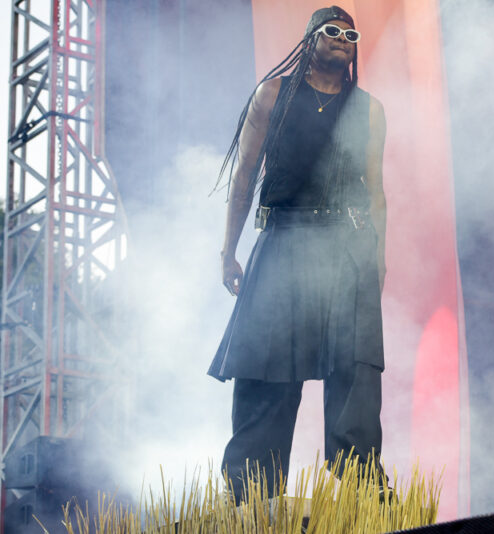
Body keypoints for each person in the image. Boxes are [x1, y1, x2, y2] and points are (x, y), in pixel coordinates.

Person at [207, 5, 387, 500]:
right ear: (310, 38)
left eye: (351, 34)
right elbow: (244, 176)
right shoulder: (273, 94)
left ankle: (362, 489)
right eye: (332, 31)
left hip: (348, 246)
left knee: (355, 368)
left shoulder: (368, 110)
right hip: (284, 239)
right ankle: (249, 492)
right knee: (266, 365)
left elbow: (375, 191)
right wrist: (228, 252)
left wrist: (379, 259)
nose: (343, 39)